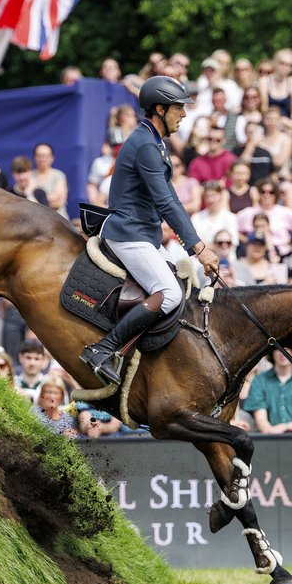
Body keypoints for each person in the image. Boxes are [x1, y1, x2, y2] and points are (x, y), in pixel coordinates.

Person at [83, 77, 220, 385]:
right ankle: (102, 350)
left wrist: (196, 245)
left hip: (144, 234)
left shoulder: (154, 140)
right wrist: (199, 249)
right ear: (160, 109)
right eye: (178, 108)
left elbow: (171, 198)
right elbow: (166, 203)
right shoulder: (145, 144)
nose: (184, 115)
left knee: (184, 285)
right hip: (128, 234)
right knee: (170, 295)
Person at [242, 350, 292, 433]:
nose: (283, 353)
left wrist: (284, 427)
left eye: (287, 349)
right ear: (272, 353)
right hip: (270, 439)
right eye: (278, 349)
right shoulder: (259, 381)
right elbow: (261, 420)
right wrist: (271, 433)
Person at [33, 144, 68, 218]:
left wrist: (36, 199)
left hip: (58, 219)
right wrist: (49, 197)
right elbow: (26, 201)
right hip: (36, 219)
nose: (42, 159)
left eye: (46, 156)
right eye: (39, 156)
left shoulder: (59, 175)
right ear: (34, 158)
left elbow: (58, 203)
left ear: (52, 157)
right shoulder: (30, 176)